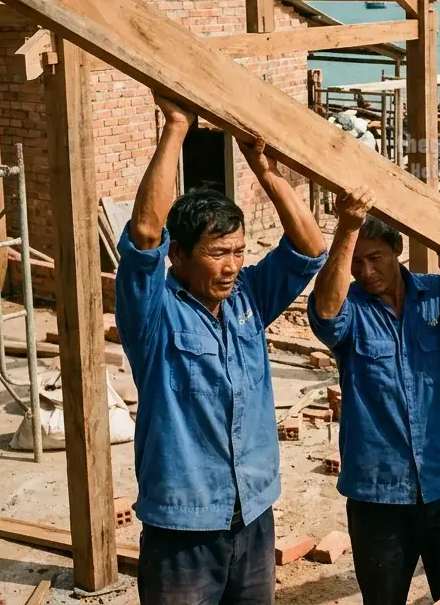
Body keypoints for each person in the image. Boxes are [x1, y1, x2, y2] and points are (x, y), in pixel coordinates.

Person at [116, 96, 328, 605]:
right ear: (179, 254)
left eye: (238, 251)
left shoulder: (248, 298)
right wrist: (177, 126)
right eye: (217, 253)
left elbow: (310, 249)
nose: (231, 266)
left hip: (253, 514)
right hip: (182, 525)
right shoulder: (153, 312)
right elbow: (143, 236)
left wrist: (265, 171)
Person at [308, 187, 440, 605]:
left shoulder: (436, 294)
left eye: (375, 257)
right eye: (357, 261)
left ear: (398, 249)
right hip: (378, 495)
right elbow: (325, 314)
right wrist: (347, 228)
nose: (365, 270)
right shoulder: (348, 306)